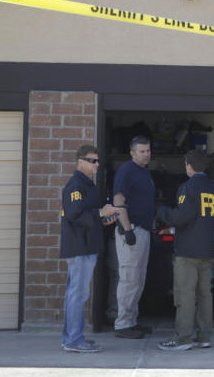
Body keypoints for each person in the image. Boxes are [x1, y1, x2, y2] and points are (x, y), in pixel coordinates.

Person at [156, 149, 214, 351]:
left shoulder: (187, 188)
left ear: (189, 166)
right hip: (207, 249)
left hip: (187, 251)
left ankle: (182, 338)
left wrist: (162, 210)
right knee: (205, 295)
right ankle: (204, 337)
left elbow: (180, 217)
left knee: (185, 295)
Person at [60, 145, 119, 353]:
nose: (96, 164)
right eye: (91, 160)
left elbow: (89, 214)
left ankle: (72, 338)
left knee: (75, 294)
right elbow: (73, 215)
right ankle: (74, 340)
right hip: (80, 247)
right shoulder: (76, 185)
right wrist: (100, 213)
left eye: (97, 161)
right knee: (78, 294)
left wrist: (103, 218)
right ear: (80, 161)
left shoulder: (88, 185)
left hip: (86, 245)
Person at [113, 135, 155, 339]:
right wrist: (127, 229)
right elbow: (118, 199)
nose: (146, 154)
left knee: (138, 278)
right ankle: (122, 325)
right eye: (142, 151)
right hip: (132, 230)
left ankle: (131, 321)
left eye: (148, 151)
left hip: (142, 230)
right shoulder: (127, 171)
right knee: (129, 278)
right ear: (132, 153)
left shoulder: (143, 172)